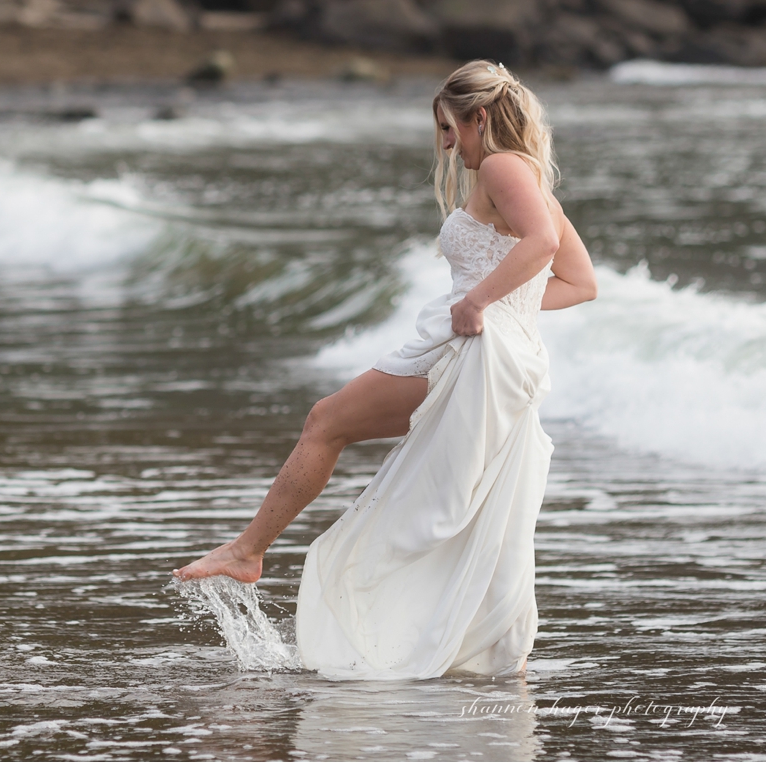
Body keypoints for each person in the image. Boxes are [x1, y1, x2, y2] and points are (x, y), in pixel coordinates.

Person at [175, 61, 598, 680]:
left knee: (325, 422)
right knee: (448, 497)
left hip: (475, 350)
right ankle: (470, 643)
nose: (450, 145)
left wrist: (481, 302)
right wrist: (506, 304)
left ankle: (248, 552)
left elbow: (544, 250)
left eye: (451, 130)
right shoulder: (534, 180)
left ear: (479, 117)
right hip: (499, 347)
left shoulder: (505, 166)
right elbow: (579, 283)